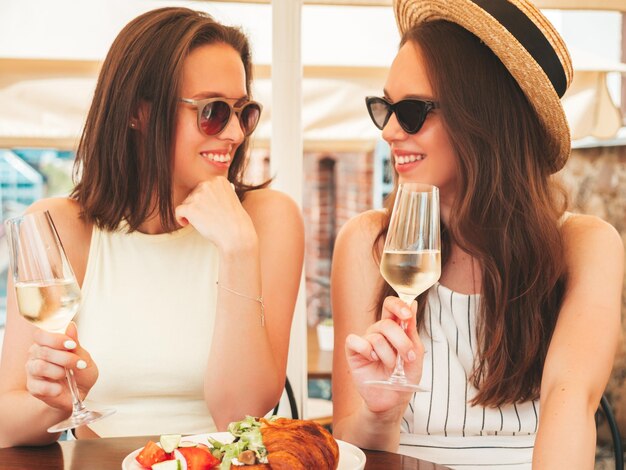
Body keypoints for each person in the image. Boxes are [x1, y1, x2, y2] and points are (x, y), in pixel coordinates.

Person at [331, 0, 623, 468]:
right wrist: (381, 410)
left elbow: (569, 405)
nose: (388, 131)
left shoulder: (583, 246)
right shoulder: (369, 242)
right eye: (383, 108)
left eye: (410, 111)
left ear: (482, 117)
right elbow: (351, 442)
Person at [0, 7, 304, 446]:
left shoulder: (267, 220)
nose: (235, 133)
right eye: (214, 111)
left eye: (244, 111)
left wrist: (238, 249)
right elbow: (7, 425)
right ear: (137, 113)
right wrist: (59, 402)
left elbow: (240, 415)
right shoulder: (59, 227)